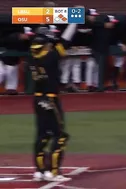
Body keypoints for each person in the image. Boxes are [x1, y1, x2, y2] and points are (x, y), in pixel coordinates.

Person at [30, 23, 77, 182]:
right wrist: (75, 20)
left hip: (38, 98)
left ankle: (39, 170)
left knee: (42, 134)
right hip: (50, 98)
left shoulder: (32, 54)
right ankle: (54, 171)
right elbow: (65, 40)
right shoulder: (50, 55)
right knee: (60, 135)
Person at [0, 27, 34, 95]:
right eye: (27, 35)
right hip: (1, 58)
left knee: (12, 71)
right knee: (1, 73)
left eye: (29, 35)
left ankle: (11, 89)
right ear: (21, 34)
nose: (28, 36)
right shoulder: (10, 38)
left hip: (12, 60)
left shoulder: (27, 41)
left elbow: (25, 51)